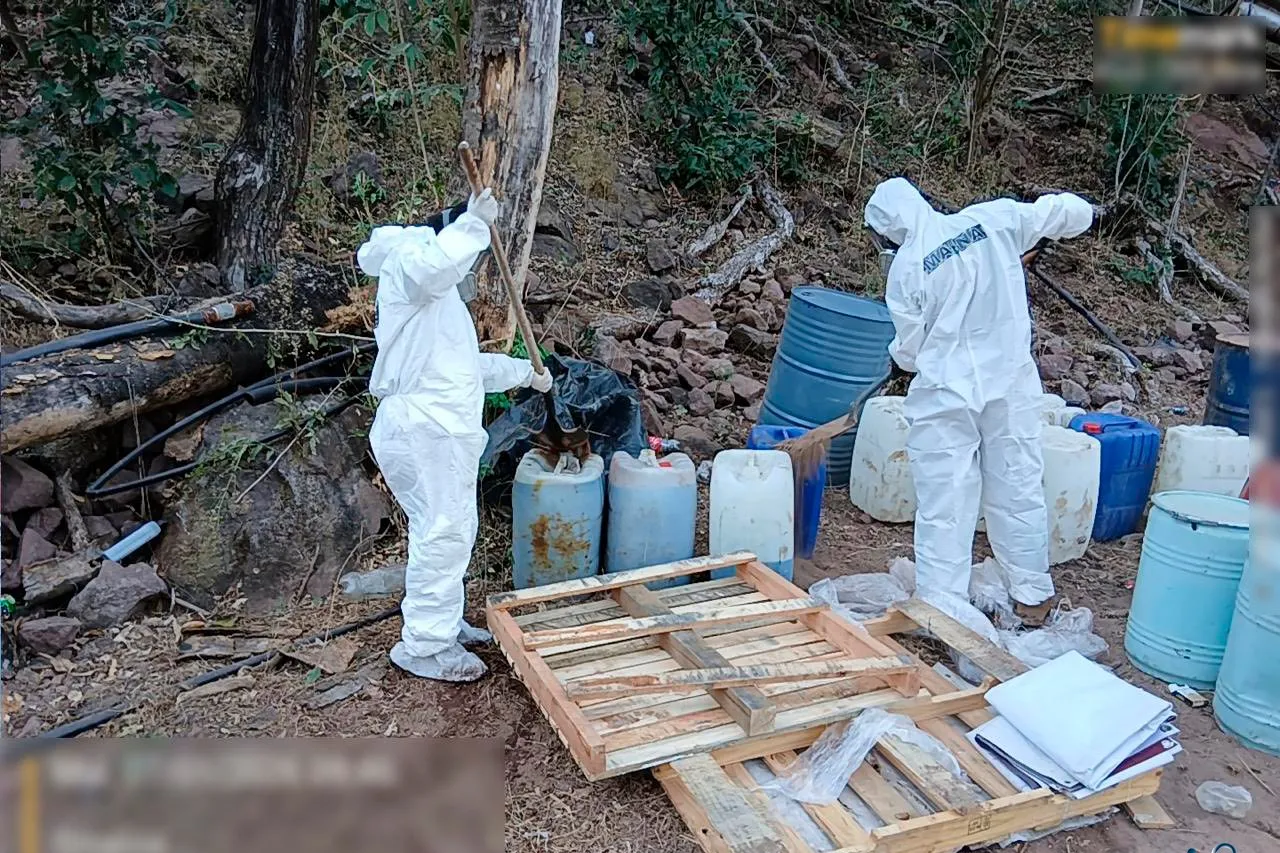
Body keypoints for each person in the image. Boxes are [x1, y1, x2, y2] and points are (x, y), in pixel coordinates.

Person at [864, 178, 1096, 625]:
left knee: (946, 502)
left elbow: (910, 350)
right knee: (1018, 484)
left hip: (945, 396)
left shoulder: (908, 267)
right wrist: (1085, 212)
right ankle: (1032, 594)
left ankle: (943, 610)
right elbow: (1061, 213)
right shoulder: (992, 219)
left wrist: (900, 357)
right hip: (1009, 383)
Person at [357, 189, 554, 681]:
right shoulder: (409, 266)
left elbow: (464, 368)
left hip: (436, 430)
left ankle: (442, 622)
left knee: (449, 530)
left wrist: (525, 374)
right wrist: (473, 225)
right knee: (443, 531)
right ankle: (425, 645)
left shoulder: (436, 306)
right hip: (424, 428)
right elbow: (436, 268)